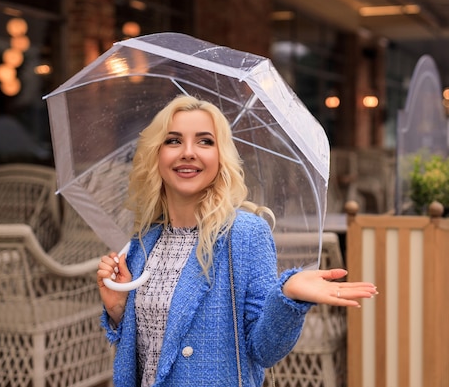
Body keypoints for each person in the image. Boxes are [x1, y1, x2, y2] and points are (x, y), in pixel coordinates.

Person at [97, 95, 377, 387]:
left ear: (221, 157)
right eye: (173, 141)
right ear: (157, 154)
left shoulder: (244, 234)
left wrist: (288, 297)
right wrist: (119, 309)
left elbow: (263, 350)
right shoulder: (145, 240)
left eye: (205, 141)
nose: (188, 152)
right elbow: (146, 351)